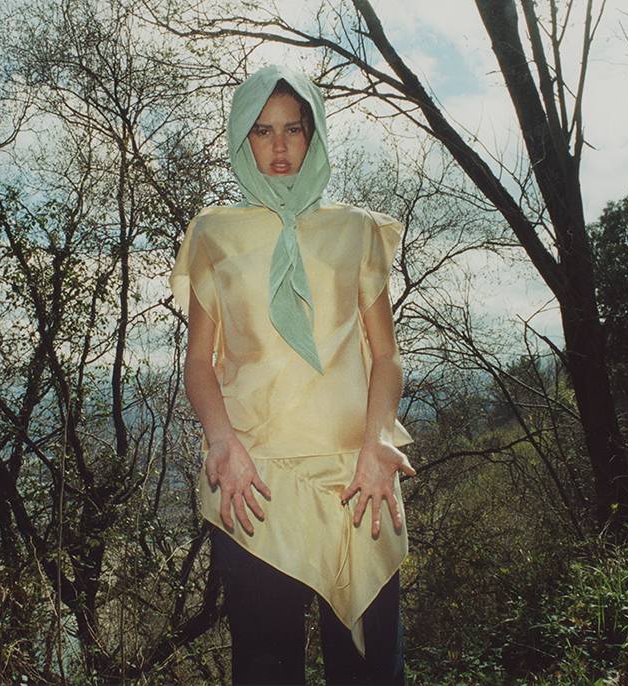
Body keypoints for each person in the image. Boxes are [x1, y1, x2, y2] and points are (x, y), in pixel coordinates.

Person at [169, 64, 416, 686]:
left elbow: (386, 356)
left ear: (314, 134)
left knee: (370, 673)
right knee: (265, 669)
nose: (279, 147)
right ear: (241, 138)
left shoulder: (357, 230)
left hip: (358, 480)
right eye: (262, 131)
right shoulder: (213, 234)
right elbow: (199, 361)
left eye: (293, 129)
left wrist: (378, 442)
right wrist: (221, 442)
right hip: (254, 482)